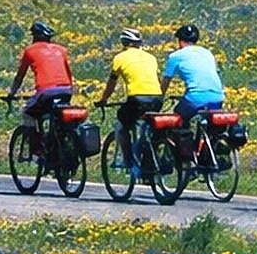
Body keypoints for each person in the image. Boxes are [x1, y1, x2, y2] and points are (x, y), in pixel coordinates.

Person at [96, 28, 162, 176]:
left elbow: (111, 84)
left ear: (123, 42)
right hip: (157, 98)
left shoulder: (120, 58)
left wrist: (103, 100)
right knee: (148, 128)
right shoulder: (151, 58)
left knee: (121, 126)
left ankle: (129, 161)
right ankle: (149, 159)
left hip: (137, 100)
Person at [5, 21, 75, 157]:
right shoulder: (62, 50)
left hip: (46, 93)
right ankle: (59, 148)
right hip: (66, 91)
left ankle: (37, 150)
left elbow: (20, 76)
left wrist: (11, 93)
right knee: (58, 119)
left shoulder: (30, 51)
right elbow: (68, 73)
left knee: (28, 114)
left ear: (35, 36)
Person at [159, 24, 225, 127]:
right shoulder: (207, 53)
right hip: (218, 97)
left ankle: (184, 142)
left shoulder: (175, 56)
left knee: (177, 119)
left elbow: (166, 81)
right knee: (210, 127)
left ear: (180, 41)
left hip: (196, 98)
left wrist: (160, 99)